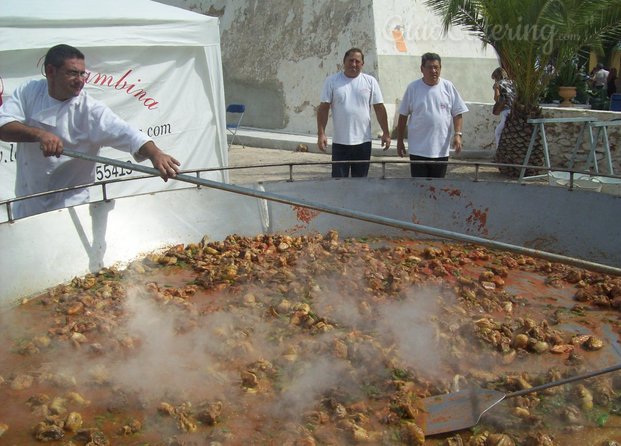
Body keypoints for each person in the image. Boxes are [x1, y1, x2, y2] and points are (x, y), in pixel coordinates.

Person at [0, 44, 180, 219]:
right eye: (72, 73)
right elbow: (3, 126)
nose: (80, 80)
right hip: (27, 202)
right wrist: (40, 135)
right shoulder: (30, 91)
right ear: (50, 72)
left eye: (82, 73)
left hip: (68, 207)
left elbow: (128, 133)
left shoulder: (90, 110)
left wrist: (155, 153)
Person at [317, 48, 391, 177]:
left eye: (357, 61)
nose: (353, 64)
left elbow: (379, 108)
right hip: (340, 143)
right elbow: (323, 108)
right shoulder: (332, 81)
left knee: (360, 183)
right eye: (350, 60)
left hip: (363, 143)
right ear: (344, 62)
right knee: (339, 183)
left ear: (362, 64)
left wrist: (386, 132)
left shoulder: (370, 81)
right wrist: (321, 134)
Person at [396, 52, 468, 178]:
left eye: (436, 67)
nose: (433, 70)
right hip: (418, 150)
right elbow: (403, 116)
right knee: (419, 187)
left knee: (437, 188)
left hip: (440, 150)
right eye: (429, 67)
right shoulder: (413, 88)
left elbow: (457, 112)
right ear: (422, 69)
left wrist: (458, 134)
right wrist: (400, 141)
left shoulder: (448, 87)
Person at [491, 67, 516, 149]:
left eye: (494, 78)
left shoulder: (498, 84)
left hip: (506, 110)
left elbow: (497, 98)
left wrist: (496, 88)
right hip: (515, 110)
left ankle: (498, 151)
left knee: (498, 132)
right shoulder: (512, 82)